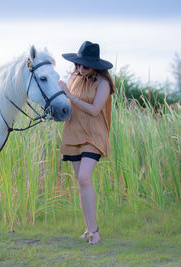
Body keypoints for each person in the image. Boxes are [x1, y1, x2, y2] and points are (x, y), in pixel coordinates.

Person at [59, 41, 115, 244]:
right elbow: (66, 103)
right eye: (77, 64)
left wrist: (70, 95)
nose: (79, 68)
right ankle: (88, 228)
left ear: (95, 66)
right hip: (74, 132)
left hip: (94, 134)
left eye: (83, 65)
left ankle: (95, 231)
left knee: (84, 178)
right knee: (82, 183)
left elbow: (94, 110)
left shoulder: (103, 83)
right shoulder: (74, 76)